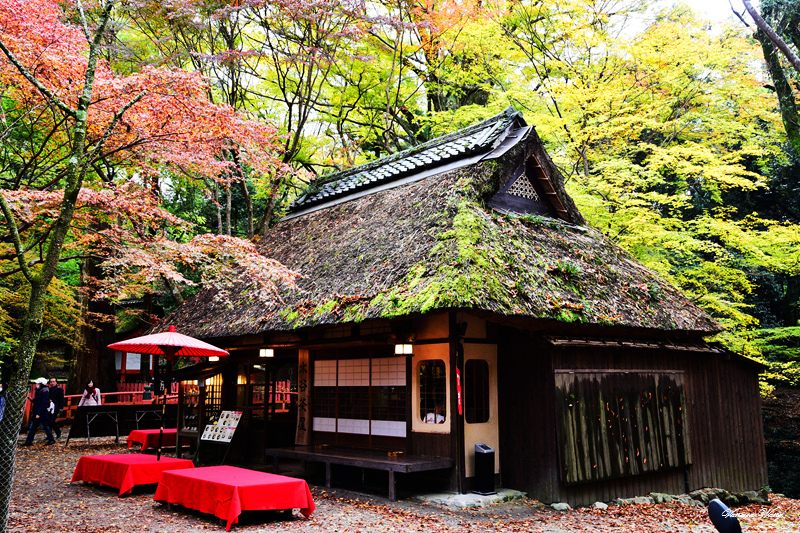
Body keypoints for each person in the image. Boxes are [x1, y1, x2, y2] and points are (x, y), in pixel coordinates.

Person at [23, 377, 55, 446]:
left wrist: (39, 413)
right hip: (38, 412)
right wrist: (32, 400)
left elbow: (43, 403)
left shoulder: (44, 392)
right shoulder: (40, 391)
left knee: (44, 427)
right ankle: (29, 441)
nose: (36, 384)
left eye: (37, 383)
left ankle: (51, 439)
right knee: (33, 427)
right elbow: (38, 401)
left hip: (41, 413)